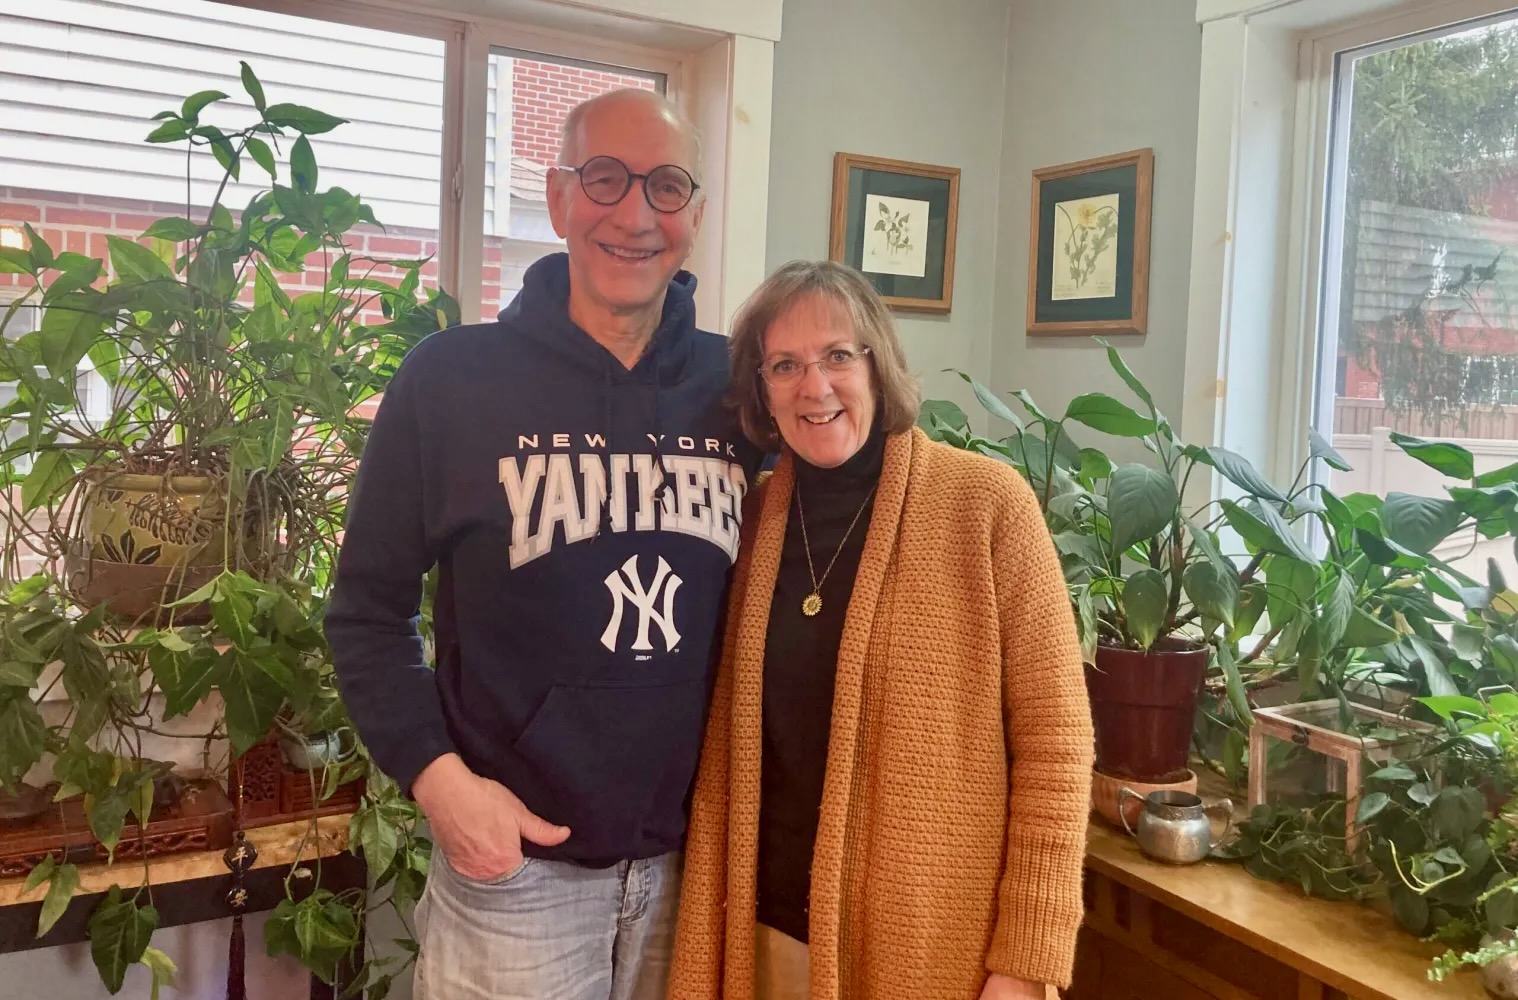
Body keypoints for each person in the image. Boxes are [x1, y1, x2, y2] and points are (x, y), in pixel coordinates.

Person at [325, 88, 762, 1000]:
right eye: (605, 178)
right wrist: (443, 788)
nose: (635, 214)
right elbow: (366, 611)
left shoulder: (741, 388)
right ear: (560, 198)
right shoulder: (451, 382)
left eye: (667, 186)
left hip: (697, 871)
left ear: (697, 216)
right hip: (515, 879)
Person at [665, 260, 1095, 1000]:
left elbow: (1056, 747)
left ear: (878, 364)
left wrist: (1027, 960)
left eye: (838, 355)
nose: (816, 385)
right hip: (766, 942)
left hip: (932, 952)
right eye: (785, 365)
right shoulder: (753, 517)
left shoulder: (986, 506)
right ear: (762, 390)